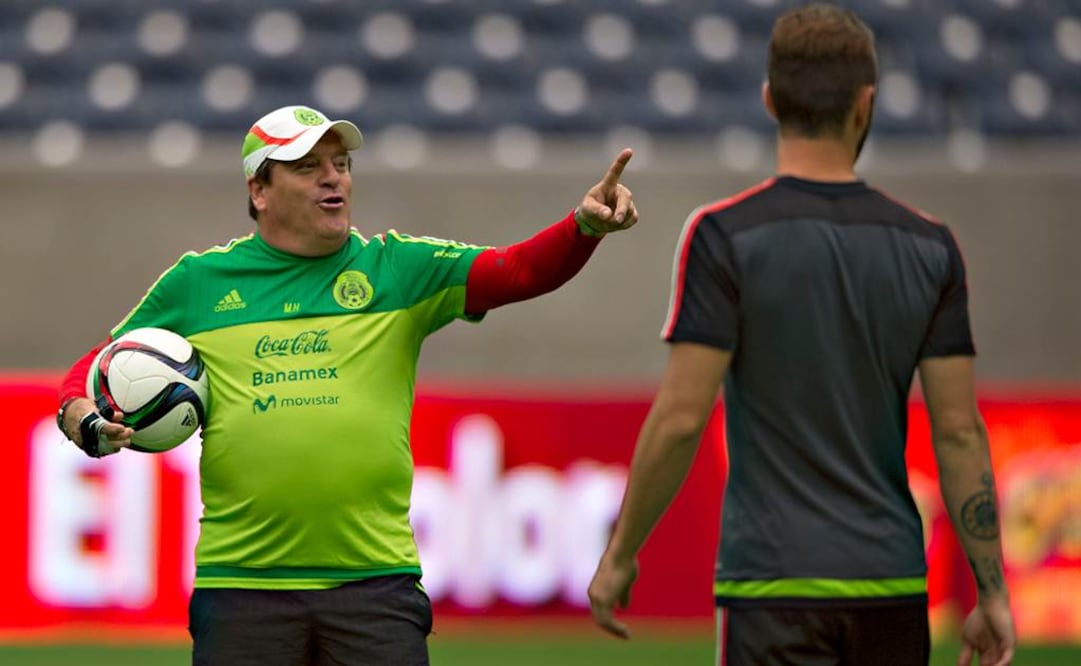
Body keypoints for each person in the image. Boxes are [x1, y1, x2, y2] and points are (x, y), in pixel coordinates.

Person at [55, 103, 638, 665]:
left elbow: (518, 271)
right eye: (308, 168)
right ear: (259, 191)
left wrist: (583, 225)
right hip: (241, 588)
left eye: (341, 165)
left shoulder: (398, 268)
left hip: (375, 588)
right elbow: (94, 366)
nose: (333, 179)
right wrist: (83, 418)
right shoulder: (199, 282)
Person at [587, 5, 1015, 666]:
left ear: (768, 101)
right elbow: (957, 431)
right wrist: (991, 593)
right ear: (865, 105)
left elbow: (679, 419)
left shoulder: (723, 236)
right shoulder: (930, 247)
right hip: (891, 587)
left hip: (770, 588)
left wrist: (619, 554)